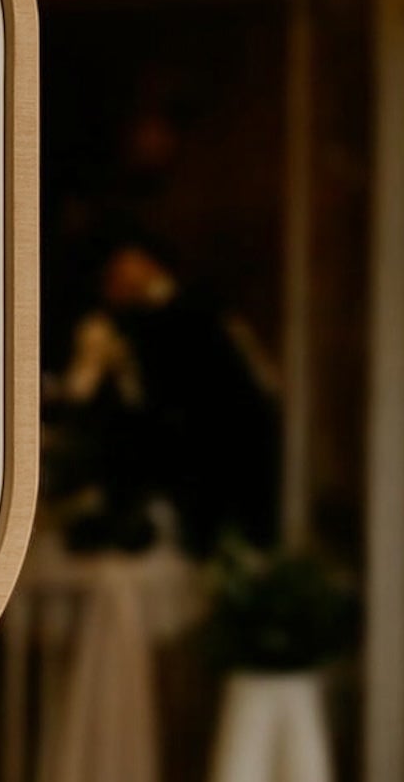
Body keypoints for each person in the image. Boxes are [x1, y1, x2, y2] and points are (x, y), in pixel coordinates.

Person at [52, 238, 280, 557]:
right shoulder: (134, 324)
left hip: (210, 460)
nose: (113, 287)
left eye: (121, 277)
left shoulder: (186, 316)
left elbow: (203, 398)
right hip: (180, 468)